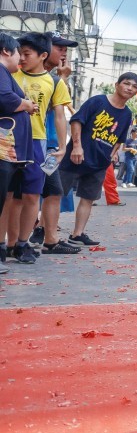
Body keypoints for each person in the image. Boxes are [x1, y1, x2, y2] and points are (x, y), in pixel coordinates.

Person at [2, 32, 71, 262]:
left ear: (43, 55)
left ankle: (22, 244)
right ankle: (5, 244)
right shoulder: (10, 74)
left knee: (33, 196)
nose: (21, 58)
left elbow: (60, 116)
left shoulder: (54, 82)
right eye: (18, 53)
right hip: (10, 140)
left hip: (37, 142)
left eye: (26, 54)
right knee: (8, 196)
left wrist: (62, 146)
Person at [58, 73, 137, 247]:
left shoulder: (127, 114)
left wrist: (111, 156)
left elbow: (119, 139)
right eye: (126, 83)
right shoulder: (97, 101)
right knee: (56, 195)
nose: (130, 88)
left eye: (134, 86)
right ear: (117, 84)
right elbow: (76, 121)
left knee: (88, 198)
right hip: (76, 156)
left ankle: (77, 234)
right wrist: (77, 146)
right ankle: (42, 229)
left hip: (99, 163)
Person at [33, 31, 79, 254]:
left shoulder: (54, 79)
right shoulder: (33, 77)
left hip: (50, 146)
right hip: (35, 143)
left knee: (52, 191)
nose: (64, 53)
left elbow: (63, 111)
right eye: (59, 48)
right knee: (29, 193)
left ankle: (46, 236)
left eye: (66, 50)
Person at [0, 32, 38, 265]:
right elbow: (4, 98)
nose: (20, 60)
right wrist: (25, 104)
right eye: (17, 53)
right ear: (6, 51)